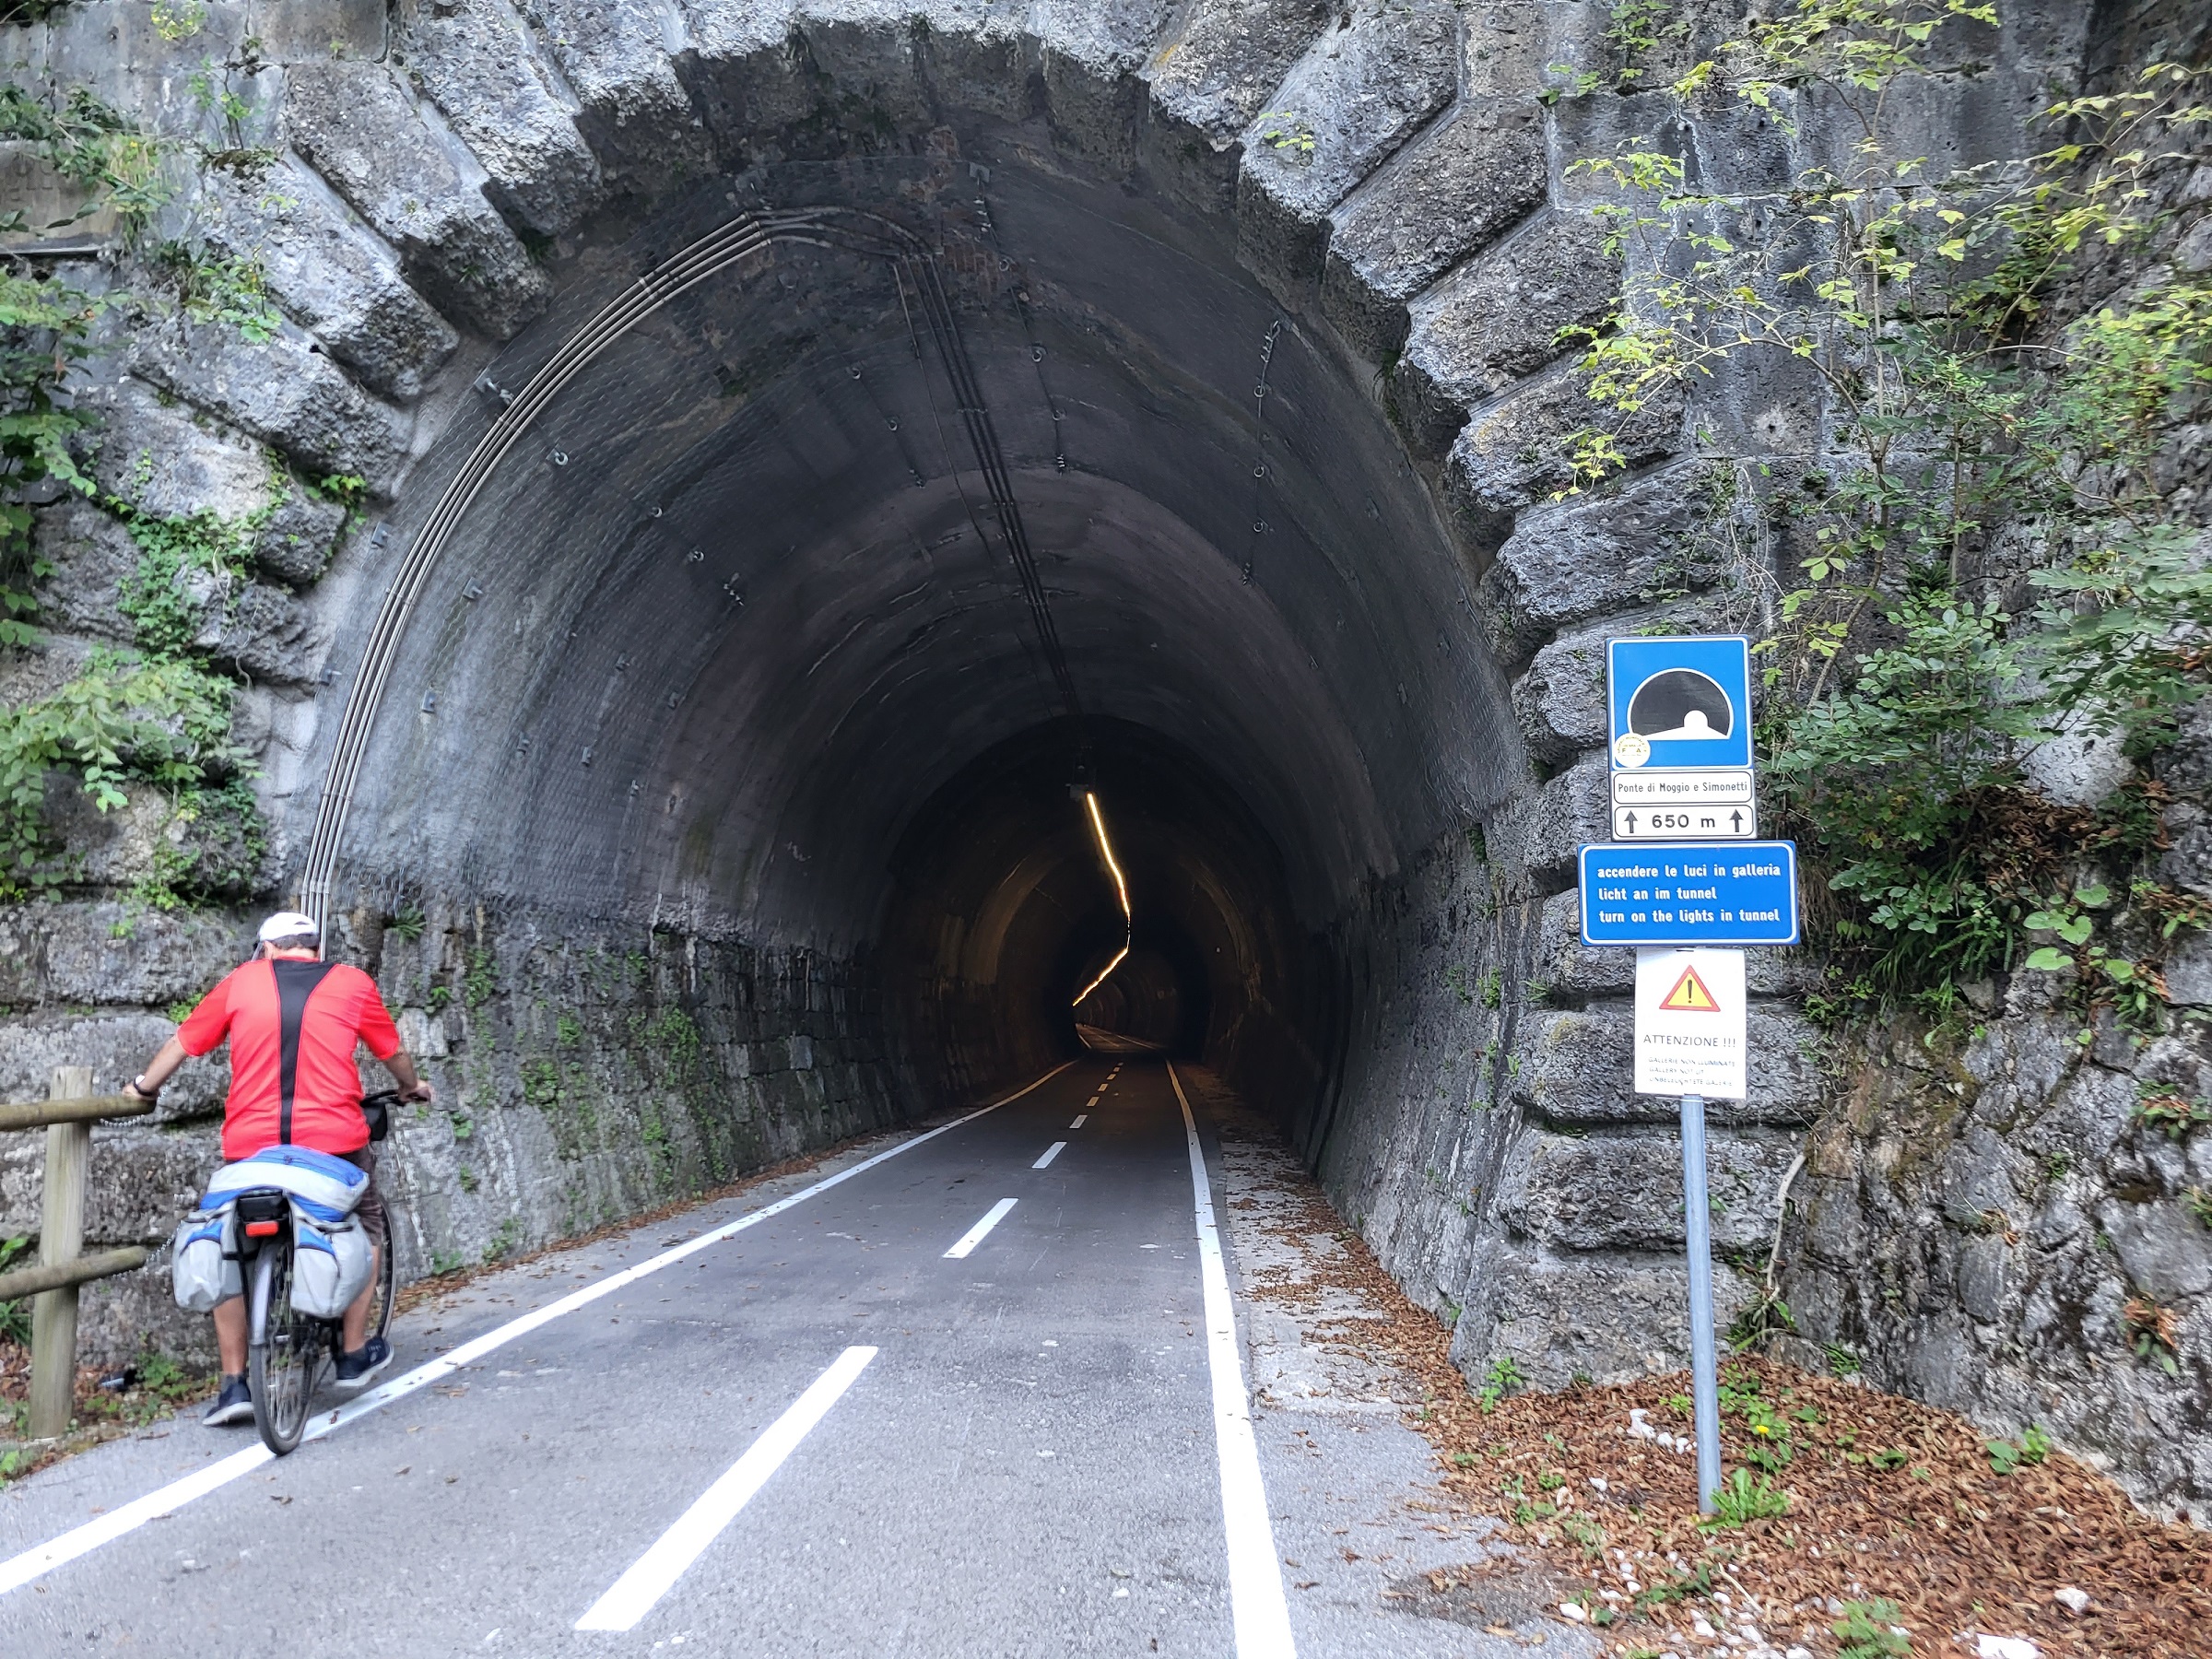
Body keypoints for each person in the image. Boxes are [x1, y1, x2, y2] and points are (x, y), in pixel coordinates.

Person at [124, 912, 434, 1426]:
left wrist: (142, 1089)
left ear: (266, 949)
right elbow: (392, 1052)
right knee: (367, 1223)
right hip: (333, 1146)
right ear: (314, 947)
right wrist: (410, 1086)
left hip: (251, 1149)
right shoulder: (352, 984)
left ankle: (233, 1384)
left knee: (227, 1238)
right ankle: (353, 1352)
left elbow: (184, 1043)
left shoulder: (241, 982)